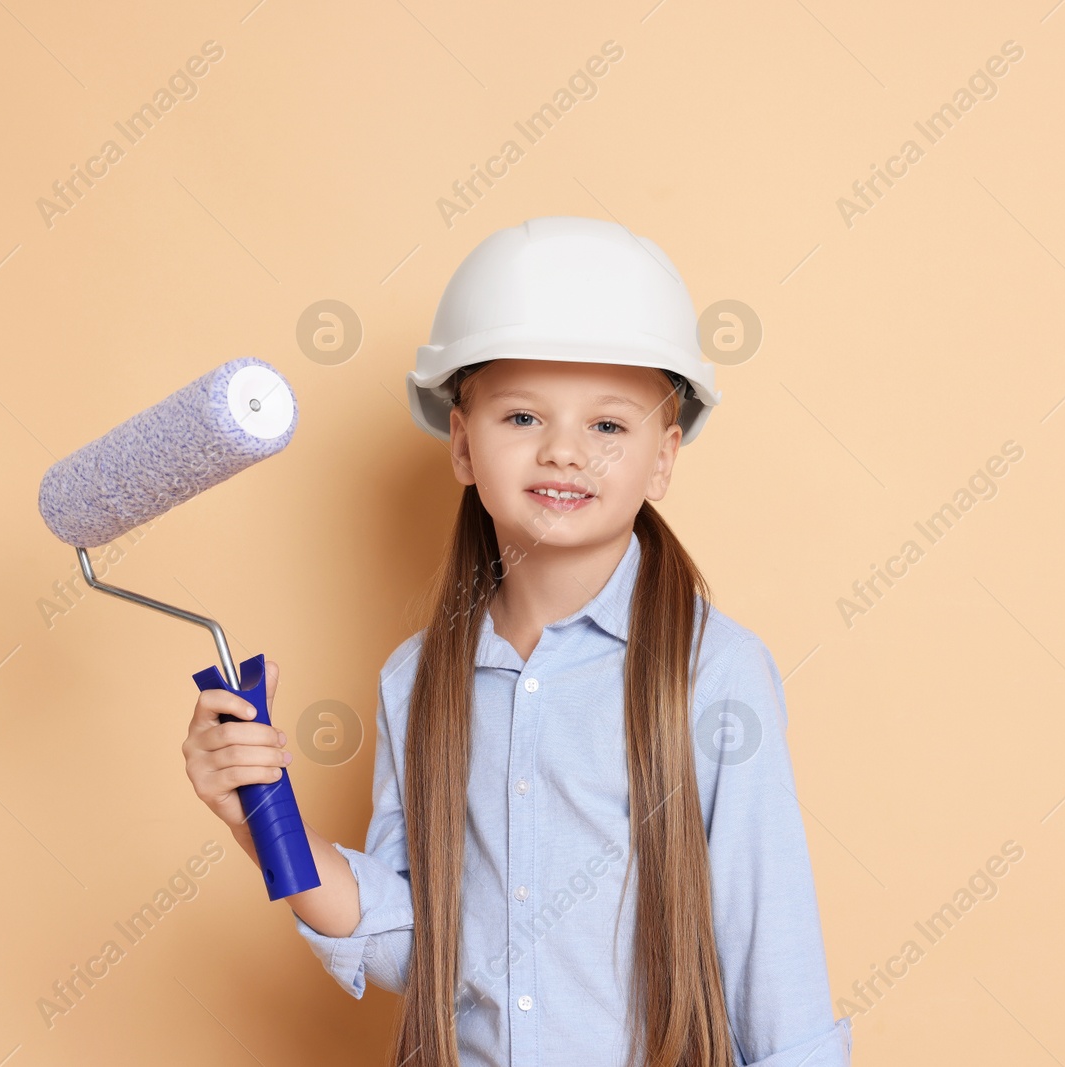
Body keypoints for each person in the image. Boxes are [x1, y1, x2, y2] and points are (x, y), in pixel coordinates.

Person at [182, 216, 852, 1067]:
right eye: (524, 416)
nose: (565, 451)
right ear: (463, 442)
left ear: (663, 457)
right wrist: (259, 818)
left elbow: (775, 959)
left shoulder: (714, 672)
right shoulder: (417, 679)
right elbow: (419, 950)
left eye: (609, 426)